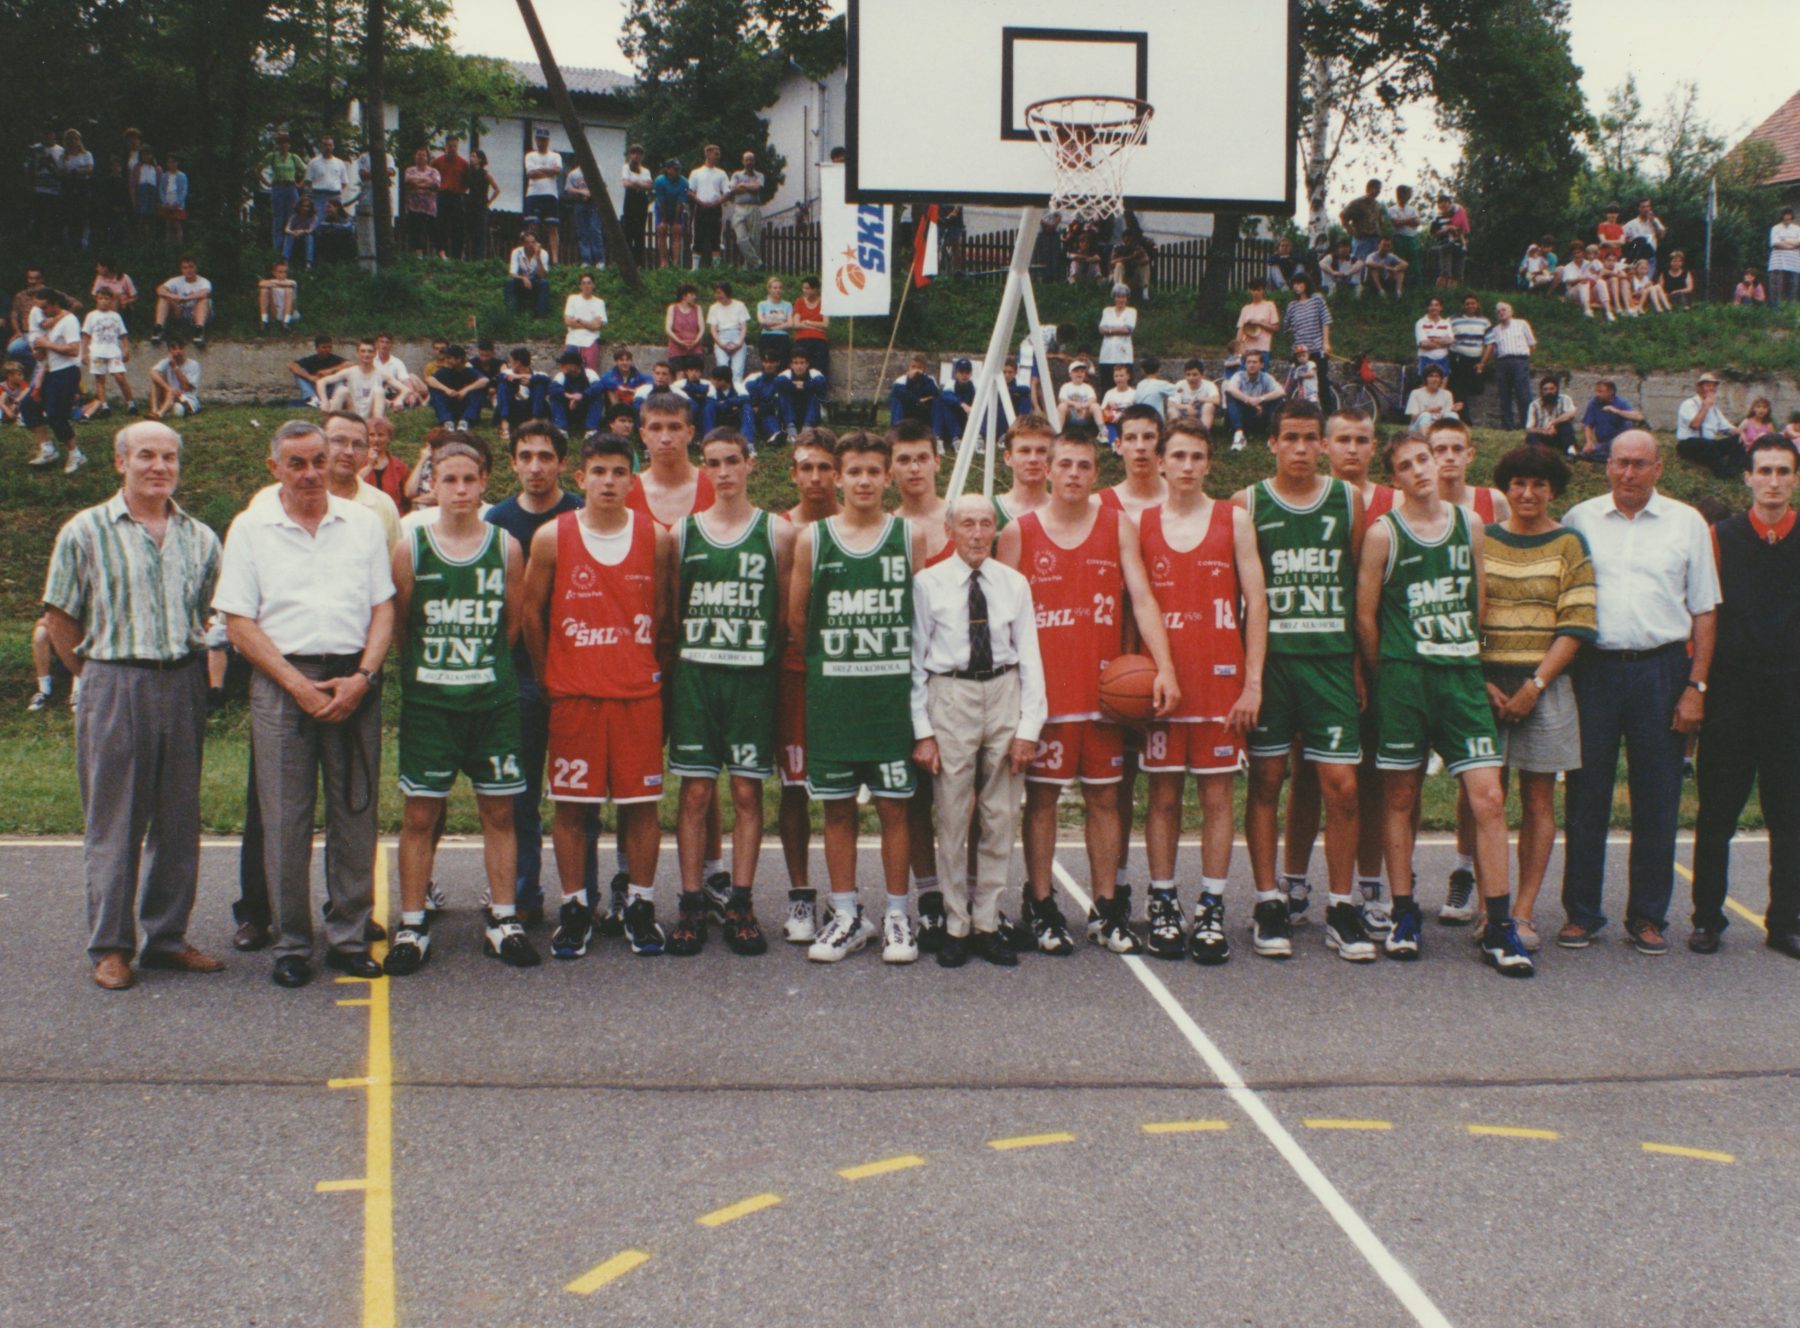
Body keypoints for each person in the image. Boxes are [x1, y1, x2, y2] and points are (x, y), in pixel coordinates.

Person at [43, 421, 224, 991]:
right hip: (114, 682)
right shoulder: (85, 530)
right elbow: (59, 617)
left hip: (182, 682)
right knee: (115, 821)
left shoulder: (200, 536)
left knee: (178, 820)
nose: (159, 466)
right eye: (146, 455)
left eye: (169, 457)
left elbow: (209, 612)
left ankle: (166, 938)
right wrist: (95, 675)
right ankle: (112, 946)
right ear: (120, 462)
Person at [215, 420, 394, 988]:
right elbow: (238, 622)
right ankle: (292, 942)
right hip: (281, 680)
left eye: (319, 460)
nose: (312, 472)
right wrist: (295, 684)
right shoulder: (251, 527)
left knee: (355, 816)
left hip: (352, 682)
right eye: (298, 463)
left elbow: (384, 609)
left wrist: (363, 676)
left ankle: (346, 936)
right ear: (275, 468)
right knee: (285, 821)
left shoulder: (363, 524)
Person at [999, 428, 1179, 954]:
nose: (1074, 474)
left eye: (1083, 466)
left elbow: (1143, 600)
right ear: (1047, 471)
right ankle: (1041, 903)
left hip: (1105, 694)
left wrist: (1163, 667)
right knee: (1043, 801)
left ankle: (1107, 906)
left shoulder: (1116, 525)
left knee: (1105, 799)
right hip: (1044, 697)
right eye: (1065, 465)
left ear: (1096, 474)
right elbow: (1003, 618)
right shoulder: (1019, 532)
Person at [1356, 431, 1530, 973]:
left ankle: (1498, 924)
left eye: (1424, 459)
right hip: (1406, 680)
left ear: (1438, 462)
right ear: (1396, 479)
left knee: (1490, 798)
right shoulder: (1384, 534)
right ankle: (1405, 910)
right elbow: (1365, 615)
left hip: (1459, 678)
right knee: (1401, 795)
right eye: (1406, 466)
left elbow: (1477, 593)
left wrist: (1465, 656)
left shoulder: (1470, 524)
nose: (1420, 470)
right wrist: (1388, 672)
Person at [382, 439, 539, 975]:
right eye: (449, 479)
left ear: (484, 482)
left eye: (469, 479)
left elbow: (510, 626)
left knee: (499, 811)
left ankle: (503, 918)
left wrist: (477, 668)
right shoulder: (412, 547)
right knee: (421, 813)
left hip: (491, 701)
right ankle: (411, 920)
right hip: (431, 704)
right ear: (433, 483)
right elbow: (403, 630)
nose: (460, 490)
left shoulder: (506, 546)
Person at [1558, 431, 1718, 955]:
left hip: (1662, 668)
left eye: (1639, 465)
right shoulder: (1580, 518)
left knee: (1658, 796)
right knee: (1586, 796)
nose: (1629, 474)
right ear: (1607, 467)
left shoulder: (1686, 522)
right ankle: (1582, 913)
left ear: (1658, 467)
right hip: (1595, 670)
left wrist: (1696, 685)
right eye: (1620, 463)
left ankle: (1648, 916)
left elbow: (1704, 611)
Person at [521, 431, 672, 958]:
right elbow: (530, 616)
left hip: (636, 697)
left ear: (633, 479)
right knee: (571, 808)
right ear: (579, 478)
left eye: (619, 471)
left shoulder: (657, 537)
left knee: (641, 808)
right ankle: (575, 908)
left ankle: (641, 905)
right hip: (576, 697)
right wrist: (550, 678)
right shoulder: (550, 536)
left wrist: (651, 671)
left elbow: (666, 618)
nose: (609, 481)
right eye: (599, 472)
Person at [785, 432, 928, 963]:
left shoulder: (909, 537)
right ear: (839, 479)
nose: (864, 480)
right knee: (837, 811)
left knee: (896, 810)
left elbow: (919, 620)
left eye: (874, 471)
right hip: (834, 700)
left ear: (887, 477)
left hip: (891, 701)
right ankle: (846, 913)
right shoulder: (814, 539)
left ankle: (896, 914)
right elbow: (799, 620)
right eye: (855, 472)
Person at [1234, 401, 1368, 958]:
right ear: (1272, 443)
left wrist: (1360, 663)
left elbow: (1361, 585)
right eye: (1288, 436)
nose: (1299, 447)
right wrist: (1248, 676)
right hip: (1274, 665)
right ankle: (1269, 901)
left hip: (1330, 662)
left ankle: (1342, 905)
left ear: (1322, 445)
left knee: (1343, 787)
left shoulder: (1348, 499)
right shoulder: (1247, 502)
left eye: (1309, 438)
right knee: (1267, 782)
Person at [1137, 419, 1268, 962]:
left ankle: (1211, 905)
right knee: (1163, 798)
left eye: (1197, 456)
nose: (1187, 466)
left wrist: (1253, 683)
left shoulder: (1233, 519)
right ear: (1160, 463)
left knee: (1217, 799)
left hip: (1220, 682)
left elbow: (1257, 604)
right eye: (1178, 456)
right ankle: (1164, 900)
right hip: (1162, 685)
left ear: (1209, 464)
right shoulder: (1139, 523)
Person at [666, 428, 794, 955]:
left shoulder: (777, 532)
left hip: (751, 680)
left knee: (746, 792)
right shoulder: (682, 532)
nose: (723, 472)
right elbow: (672, 613)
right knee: (695, 794)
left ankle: (740, 902)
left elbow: (785, 613)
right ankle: (693, 903)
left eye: (732, 461)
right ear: (704, 467)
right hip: (697, 677)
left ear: (749, 464)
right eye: (713, 463)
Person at [910, 493, 1046, 967]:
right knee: (950, 813)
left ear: (995, 530)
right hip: (952, 694)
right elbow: (915, 662)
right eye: (966, 523)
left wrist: (1029, 727)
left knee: (1000, 813)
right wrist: (922, 730)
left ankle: (987, 920)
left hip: (1003, 690)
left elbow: (1030, 657)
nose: (976, 533)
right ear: (949, 530)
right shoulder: (927, 584)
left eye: (986, 523)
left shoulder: (1014, 584)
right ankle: (954, 923)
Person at [1480, 445, 1595, 952]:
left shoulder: (1570, 543)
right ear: (1505, 488)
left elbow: (1577, 624)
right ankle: (1492, 910)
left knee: (1538, 799)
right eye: (1518, 484)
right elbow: (1461, 614)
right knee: (1484, 800)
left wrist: (1535, 686)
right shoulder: (1481, 539)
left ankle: (1523, 912)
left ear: (1553, 491)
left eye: (1539, 485)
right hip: (1484, 688)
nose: (1527, 494)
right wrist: (1478, 680)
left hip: (1544, 688)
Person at [1690, 435, 1800, 959]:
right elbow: (1702, 615)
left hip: (1791, 701)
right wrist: (1699, 685)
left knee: (1791, 817)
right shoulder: (1720, 537)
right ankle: (1707, 918)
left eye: (1783, 471)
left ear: (1795, 478)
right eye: (1765, 471)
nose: (1773, 481)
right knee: (1717, 814)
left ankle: (1784, 923)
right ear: (1748, 478)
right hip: (1732, 698)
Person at [483, 423, 593, 928]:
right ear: (511, 464)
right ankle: (525, 893)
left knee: (579, 795)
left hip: (577, 675)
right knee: (520, 794)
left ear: (562, 464)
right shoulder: (498, 521)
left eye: (545, 456)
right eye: (525, 456)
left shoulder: (581, 514)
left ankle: (583, 893)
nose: (535, 466)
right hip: (521, 679)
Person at [772, 429, 841, 942]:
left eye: (824, 466)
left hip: (849, 677)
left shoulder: (859, 526)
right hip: (795, 674)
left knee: (850, 793)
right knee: (794, 789)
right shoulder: (779, 530)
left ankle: (849, 900)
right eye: (806, 467)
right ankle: (800, 900)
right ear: (793, 473)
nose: (815, 477)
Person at [25, 287, 86, 474]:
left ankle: (76, 454)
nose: (42, 313)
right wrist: (40, 350)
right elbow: (43, 356)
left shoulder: (69, 321)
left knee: (55, 415)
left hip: (66, 372)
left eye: (44, 308)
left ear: (54, 304)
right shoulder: (50, 324)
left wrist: (47, 344)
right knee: (28, 406)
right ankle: (47, 449)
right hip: (50, 372)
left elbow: (74, 349)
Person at [1476, 301, 1536, 431]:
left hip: (1520, 360)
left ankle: (1527, 423)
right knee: (1504, 393)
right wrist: (1483, 363)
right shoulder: (1495, 330)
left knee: (1523, 393)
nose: (1501, 313)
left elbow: (1532, 344)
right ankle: (1508, 425)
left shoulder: (1522, 324)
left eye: (1504, 310)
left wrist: (1524, 359)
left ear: (1511, 311)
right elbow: (1491, 347)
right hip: (1502, 362)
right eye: (1498, 311)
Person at [1675, 372, 1744, 478]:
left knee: (1739, 440)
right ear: (1699, 388)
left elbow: (1727, 427)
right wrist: (1705, 406)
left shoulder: (1714, 408)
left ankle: (1732, 472)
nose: (1711, 388)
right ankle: (1722, 474)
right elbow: (1695, 425)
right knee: (1708, 445)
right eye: (1707, 385)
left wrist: (1742, 433)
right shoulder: (1689, 404)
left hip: (1709, 446)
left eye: (1713, 386)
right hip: (1689, 444)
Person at [80, 287, 133, 418]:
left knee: (120, 377)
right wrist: (84, 352)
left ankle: (131, 403)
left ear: (111, 300)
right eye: (101, 298)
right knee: (100, 378)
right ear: (96, 300)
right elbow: (86, 335)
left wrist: (126, 349)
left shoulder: (116, 316)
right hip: (97, 352)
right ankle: (104, 406)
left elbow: (123, 334)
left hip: (113, 351)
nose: (104, 301)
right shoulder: (91, 316)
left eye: (107, 299)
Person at [322, 337, 400, 420]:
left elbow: (405, 389)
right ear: (357, 353)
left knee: (378, 391)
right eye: (363, 351)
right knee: (342, 390)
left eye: (370, 351)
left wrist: (400, 399)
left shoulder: (381, 373)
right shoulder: (349, 372)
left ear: (375, 353)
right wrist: (324, 401)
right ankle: (331, 424)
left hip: (371, 413)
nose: (366, 354)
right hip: (353, 411)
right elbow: (322, 381)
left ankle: (377, 425)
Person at [1223, 349, 1285, 450]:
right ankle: (1239, 435)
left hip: (1261, 415)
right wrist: (1248, 400)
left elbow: (1281, 391)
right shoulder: (1238, 376)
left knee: (1278, 399)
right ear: (1245, 364)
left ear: (1261, 365)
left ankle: (1273, 435)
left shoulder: (1266, 378)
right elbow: (1230, 389)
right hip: (1243, 415)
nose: (1251, 365)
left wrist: (1261, 399)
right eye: (1249, 362)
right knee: (1230, 395)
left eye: (1255, 362)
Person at [425, 343, 489, 431]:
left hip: (465, 406)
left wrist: (465, 390)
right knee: (435, 389)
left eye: (449, 358)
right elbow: (429, 380)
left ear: (458, 359)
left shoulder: (469, 371)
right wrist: (447, 390)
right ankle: (447, 421)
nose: (446, 360)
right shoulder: (444, 371)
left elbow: (485, 380)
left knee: (477, 390)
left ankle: (465, 421)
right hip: (450, 405)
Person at [261, 130, 307, 250]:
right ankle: (277, 247)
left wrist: (300, 184)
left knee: (292, 217)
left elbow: (306, 170)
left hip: (291, 188)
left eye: (285, 142)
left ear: (289, 144)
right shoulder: (272, 156)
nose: (283, 145)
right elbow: (258, 168)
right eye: (280, 142)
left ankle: (290, 247)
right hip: (278, 188)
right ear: (277, 144)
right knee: (278, 217)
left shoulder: (293, 157)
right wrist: (266, 183)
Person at [1579, 379, 1643, 462]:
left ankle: (1616, 457)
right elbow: (1588, 425)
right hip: (1604, 442)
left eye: (1601, 391)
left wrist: (1616, 411)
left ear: (1611, 392)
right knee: (1585, 453)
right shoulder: (1593, 403)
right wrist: (1589, 442)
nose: (1597, 394)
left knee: (1615, 447)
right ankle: (1615, 458)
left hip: (1620, 440)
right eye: (1596, 391)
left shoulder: (1620, 402)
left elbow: (1639, 417)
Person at [152, 257, 211, 346]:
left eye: (191, 267)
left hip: (198, 313)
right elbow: (160, 289)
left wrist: (187, 298)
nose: (188, 270)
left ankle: (199, 331)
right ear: (181, 269)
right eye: (185, 268)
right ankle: (158, 329)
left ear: (196, 268)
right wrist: (171, 295)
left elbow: (205, 292)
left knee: (203, 300)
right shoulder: (176, 280)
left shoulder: (204, 281)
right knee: (163, 298)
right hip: (181, 312)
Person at [687, 144, 729, 269]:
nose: (718, 157)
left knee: (716, 239)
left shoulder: (721, 173)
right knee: (698, 237)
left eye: (719, 154)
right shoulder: (696, 172)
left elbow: (727, 192)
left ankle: (716, 270)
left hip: (715, 209)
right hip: (700, 208)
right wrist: (699, 201)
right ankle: (695, 269)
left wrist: (716, 202)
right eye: (716, 154)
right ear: (707, 154)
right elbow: (690, 191)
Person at [522, 128, 562, 255]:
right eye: (539, 139)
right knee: (532, 226)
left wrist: (539, 170)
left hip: (550, 194)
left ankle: (554, 259)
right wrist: (548, 171)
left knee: (553, 227)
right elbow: (530, 173)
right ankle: (533, 255)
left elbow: (557, 171)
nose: (541, 142)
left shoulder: (555, 156)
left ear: (548, 140)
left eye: (544, 139)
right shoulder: (530, 155)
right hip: (533, 194)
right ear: (536, 140)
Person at [430, 134, 470, 259]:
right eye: (450, 146)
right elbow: (431, 176)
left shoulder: (463, 163)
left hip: (456, 196)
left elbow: (467, 181)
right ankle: (441, 253)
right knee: (441, 225)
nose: (453, 149)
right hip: (442, 195)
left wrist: (460, 191)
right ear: (446, 146)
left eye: (455, 146)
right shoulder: (438, 162)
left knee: (457, 227)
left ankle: (457, 256)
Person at [706, 282, 751, 389]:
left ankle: (737, 394)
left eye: (719, 293)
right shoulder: (713, 308)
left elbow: (744, 327)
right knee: (722, 367)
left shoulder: (739, 305)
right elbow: (713, 329)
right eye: (716, 293)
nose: (717, 296)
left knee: (737, 370)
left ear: (726, 293)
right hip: (721, 338)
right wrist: (721, 344)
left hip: (737, 336)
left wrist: (739, 343)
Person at [562, 271, 608, 373]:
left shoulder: (599, 302)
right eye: (583, 283)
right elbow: (568, 321)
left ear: (593, 285)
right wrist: (589, 324)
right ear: (580, 286)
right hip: (572, 341)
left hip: (590, 340)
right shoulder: (572, 299)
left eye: (589, 283)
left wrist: (579, 320)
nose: (586, 286)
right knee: (567, 371)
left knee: (589, 373)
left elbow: (597, 326)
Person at [775, 351, 828, 436]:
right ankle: (791, 429)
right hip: (791, 410)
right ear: (791, 365)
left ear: (807, 364)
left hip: (809, 411)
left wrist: (804, 384)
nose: (799, 366)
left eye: (802, 363)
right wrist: (797, 386)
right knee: (784, 394)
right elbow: (778, 382)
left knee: (813, 394)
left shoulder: (814, 373)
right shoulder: (786, 373)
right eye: (796, 363)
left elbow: (820, 382)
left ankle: (807, 428)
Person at [147, 339, 202, 421]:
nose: (178, 351)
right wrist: (168, 388)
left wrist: (175, 367)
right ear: (170, 351)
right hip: (170, 395)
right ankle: (154, 411)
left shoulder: (193, 364)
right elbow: (152, 372)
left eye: (180, 348)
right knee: (155, 382)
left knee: (178, 411)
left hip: (186, 398)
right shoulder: (166, 362)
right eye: (174, 349)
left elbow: (186, 386)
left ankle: (160, 413)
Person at [728, 151, 766, 268]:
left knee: (754, 239)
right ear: (743, 161)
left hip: (754, 207)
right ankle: (757, 263)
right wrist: (749, 186)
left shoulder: (759, 175)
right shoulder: (737, 175)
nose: (749, 162)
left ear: (754, 161)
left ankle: (748, 268)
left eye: (751, 159)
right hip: (739, 208)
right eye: (746, 160)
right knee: (741, 238)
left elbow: (757, 188)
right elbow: (733, 189)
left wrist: (743, 185)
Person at [401, 146, 440, 256]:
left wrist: (418, 183)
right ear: (415, 157)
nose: (421, 157)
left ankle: (434, 255)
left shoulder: (433, 171)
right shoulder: (410, 170)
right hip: (414, 207)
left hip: (429, 208)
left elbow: (435, 184)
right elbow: (409, 182)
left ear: (427, 157)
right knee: (416, 232)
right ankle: (418, 255)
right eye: (419, 155)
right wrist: (425, 182)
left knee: (431, 232)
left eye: (423, 155)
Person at [287, 334, 345, 409]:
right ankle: (313, 400)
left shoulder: (335, 359)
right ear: (317, 348)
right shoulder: (311, 360)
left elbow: (350, 365)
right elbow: (292, 366)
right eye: (324, 347)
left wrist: (330, 371)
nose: (327, 350)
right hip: (315, 390)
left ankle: (336, 400)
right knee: (299, 373)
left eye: (329, 347)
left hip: (331, 390)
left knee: (342, 374)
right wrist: (310, 377)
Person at [1524, 375, 1578, 454]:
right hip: (1543, 436)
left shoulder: (1565, 399)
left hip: (1559, 435)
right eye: (1545, 389)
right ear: (1541, 391)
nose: (1549, 392)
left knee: (1566, 425)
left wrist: (1553, 423)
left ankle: (1570, 453)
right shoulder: (1534, 405)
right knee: (1531, 436)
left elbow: (1571, 413)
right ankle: (1542, 455)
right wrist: (1544, 431)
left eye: (1552, 389)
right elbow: (1529, 428)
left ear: (1557, 389)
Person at [563, 162, 604, 267]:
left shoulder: (596, 168)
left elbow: (601, 184)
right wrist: (581, 192)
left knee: (595, 230)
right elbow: (568, 188)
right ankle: (586, 260)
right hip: (579, 203)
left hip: (594, 202)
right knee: (582, 231)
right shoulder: (573, 173)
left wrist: (590, 193)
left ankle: (600, 260)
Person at [619, 143, 653, 266]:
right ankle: (628, 262)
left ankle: (639, 263)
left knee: (639, 232)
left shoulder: (646, 170)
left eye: (638, 153)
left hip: (641, 201)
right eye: (633, 153)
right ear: (630, 154)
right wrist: (640, 184)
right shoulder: (626, 167)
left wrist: (636, 183)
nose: (636, 156)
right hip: (630, 200)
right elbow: (626, 183)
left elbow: (649, 186)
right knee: (628, 231)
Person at [653, 158, 689, 269]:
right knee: (662, 230)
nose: (677, 172)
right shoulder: (660, 181)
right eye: (675, 169)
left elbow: (680, 203)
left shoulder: (684, 182)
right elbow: (661, 202)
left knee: (676, 232)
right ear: (668, 170)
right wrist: (663, 220)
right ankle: (663, 262)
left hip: (676, 209)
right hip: (662, 208)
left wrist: (676, 221)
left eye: (679, 169)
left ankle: (675, 263)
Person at [1339, 178, 1385, 265]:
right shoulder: (1357, 203)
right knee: (1359, 263)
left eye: (1379, 189)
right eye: (1375, 188)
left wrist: (1381, 235)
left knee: (1374, 264)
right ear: (1368, 188)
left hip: (1375, 239)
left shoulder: (1378, 205)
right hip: (1362, 239)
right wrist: (1351, 231)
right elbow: (1343, 216)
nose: (1378, 191)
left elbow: (1380, 221)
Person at [505, 232, 552, 318]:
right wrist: (523, 278)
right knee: (510, 282)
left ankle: (541, 316)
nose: (531, 245)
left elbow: (542, 276)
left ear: (537, 243)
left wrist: (537, 256)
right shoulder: (516, 252)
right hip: (521, 281)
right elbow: (512, 274)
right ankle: (510, 315)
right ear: (523, 244)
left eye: (533, 242)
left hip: (536, 281)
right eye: (527, 242)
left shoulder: (544, 253)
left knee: (544, 283)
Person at [464, 149, 499, 261]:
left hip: (481, 207)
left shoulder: (485, 174)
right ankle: (468, 258)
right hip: (470, 206)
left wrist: (489, 202)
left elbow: (497, 189)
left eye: (473, 156)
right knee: (470, 233)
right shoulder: (469, 173)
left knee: (480, 235)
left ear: (479, 159)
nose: (471, 159)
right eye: (471, 156)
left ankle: (479, 259)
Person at [1235, 279, 1280, 365]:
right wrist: (1237, 349)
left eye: (1258, 290)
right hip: (1247, 348)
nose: (1256, 292)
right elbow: (1240, 329)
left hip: (1262, 348)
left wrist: (1259, 323)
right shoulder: (1245, 308)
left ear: (1263, 290)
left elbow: (1276, 327)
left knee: (1262, 376)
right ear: (1250, 291)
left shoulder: (1269, 305)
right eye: (1253, 290)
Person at [1167, 359, 1219, 433]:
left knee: (1209, 405)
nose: (1191, 378)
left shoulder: (1209, 384)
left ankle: (1203, 434)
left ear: (1202, 375)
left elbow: (1217, 400)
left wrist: (1200, 399)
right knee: (1171, 410)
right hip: (1184, 413)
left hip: (1201, 413)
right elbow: (1170, 403)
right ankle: (1177, 433)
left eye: (1195, 374)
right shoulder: (1180, 384)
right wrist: (1186, 407)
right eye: (1188, 374)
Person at [791, 277, 829, 376]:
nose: (805, 291)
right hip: (802, 340)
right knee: (801, 369)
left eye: (808, 288)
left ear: (815, 289)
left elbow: (825, 324)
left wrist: (808, 322)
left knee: (820, 369)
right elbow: (796, 324)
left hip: (819, 340)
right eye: (804, 288)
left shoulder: (824, 302)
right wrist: (816, 327)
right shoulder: (799, 302)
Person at [304, 135, 352, 210]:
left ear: (333, 147)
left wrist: (334, 189)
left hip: (334, 197)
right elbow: (308, 181)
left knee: (334, 220)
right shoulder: (313, 162)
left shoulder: (340, 163)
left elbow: (344, 182)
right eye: (325, 145)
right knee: (318, 219)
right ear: (321, 147)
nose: (328, 148)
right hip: (318, 196)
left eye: (330, 145)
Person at [1413, 296, 1453, 382]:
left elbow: (1450, 341)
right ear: (1428, 307)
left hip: (1443, 359)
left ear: (1441, 307)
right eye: (1431, 305)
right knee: (1426, 387)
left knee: (1442, 386)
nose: (1434, 307)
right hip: (1426, 359)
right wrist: (1442, 343)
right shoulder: (1421, 323)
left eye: (1436, 305)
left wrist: (1433, 340)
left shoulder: (1446, 323)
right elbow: (1424, 344)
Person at [665, 283, 704, 370]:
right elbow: (668, 329)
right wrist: (680, 342)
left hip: (694, 347)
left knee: (694, 373)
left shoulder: (697, 308)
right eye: (692, 294)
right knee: (680, 375)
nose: (694, 297)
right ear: (684, 296)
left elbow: (701, 329)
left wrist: (695, 342)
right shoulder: (673, 308)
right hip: (676, 347)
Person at [1621, 197, 1666, 270]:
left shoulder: (1655, 221)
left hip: (1650, 256)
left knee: (1647, 280)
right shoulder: (1631, 224)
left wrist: (1653, 222)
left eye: (1647, 206)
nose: (1646, 209)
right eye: (1643, 207)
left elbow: (1662, 235)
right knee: (1641, 240)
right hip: (1636, 255)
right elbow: (1621, 238)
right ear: (1639, 209)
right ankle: (1629, 262)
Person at [1768, 208, 1800, 308]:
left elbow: (1799, 243)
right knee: (1776, 286)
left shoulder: (1797, 229)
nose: (1787, 217)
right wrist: (1792, 245)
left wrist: (1784, 240)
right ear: (1782, 216)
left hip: (1794, 262)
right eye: (1785, 214)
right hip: (1778, 262)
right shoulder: (1775, 228)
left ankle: (1791, 309)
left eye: (1789, 215)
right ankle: (1775, 310)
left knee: (1793, 286)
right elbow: (1775, 243)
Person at [1387, 184, 1422, 269]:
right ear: (1401, 194)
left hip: (1411, 238)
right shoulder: (1392, 209)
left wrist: (1403, 221)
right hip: (1398, 238)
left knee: (1413, 261)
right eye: (1408, 193)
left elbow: (1417, 222)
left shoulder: (1412, 209)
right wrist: (1410, 220)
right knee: (1399, 261)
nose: (1409, 196)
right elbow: (1396, 223)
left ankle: (1413, 281)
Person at [157, 153, 189, 245]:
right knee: (168, 225)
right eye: (169, 162)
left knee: (177, 225)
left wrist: (177, 203)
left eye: (173, 162)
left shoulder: (182, 176)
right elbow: (161, 189)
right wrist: (165, 202)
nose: (171, 164)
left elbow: (184, 191)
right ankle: (168, 246)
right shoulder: (164, 176)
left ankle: (179, 246)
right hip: (167, 202)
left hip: (177, 203)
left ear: (177, 163)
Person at [258, 259, 299, 327]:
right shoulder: (270, 282)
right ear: (274, 273)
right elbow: (261, 284)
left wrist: (273, 283)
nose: (283, 274)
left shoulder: (292, 282)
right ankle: (264, 321)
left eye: (285, 272)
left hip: (290, 312)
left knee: (288, 290)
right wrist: (275, 283)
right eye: (280, 272)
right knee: (264, 291)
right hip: (275, 311)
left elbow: (290, 284)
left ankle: (286, 322)